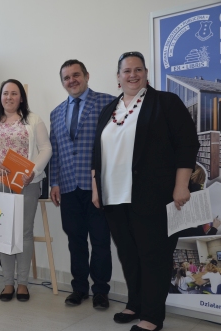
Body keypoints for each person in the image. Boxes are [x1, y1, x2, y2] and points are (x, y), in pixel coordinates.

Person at [92, 52, 199, 331]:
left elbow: (187, 145)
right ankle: (135, 303)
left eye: (138, 69)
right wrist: (96, 188)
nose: (132, 75)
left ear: (146, 72)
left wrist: (181, 185)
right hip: (114, 196)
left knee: (154, 256)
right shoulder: (109, 109)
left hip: (152, 195)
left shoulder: (165, 102)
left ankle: (152, 316)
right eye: (126, 71)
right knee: (129, 255)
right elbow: (97, 154)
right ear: (118, 76)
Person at [0, 79, 52, 302]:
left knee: (25, 232)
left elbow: (46, 148)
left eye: (14, 93)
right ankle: (8, 282)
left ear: (21, 97)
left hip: (26, 183)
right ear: (0, 97)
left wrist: (33, 170)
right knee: (3, 232)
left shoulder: (33, 119)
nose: (9, 97)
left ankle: (23, 283)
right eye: (5, 93)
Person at [49, 59, 114, 309]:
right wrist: (54, 182)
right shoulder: (56, 113)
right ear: (63, 82)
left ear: (86, 76)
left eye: (76, 75)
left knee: (100, 241)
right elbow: (55, 151)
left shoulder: (107, 102)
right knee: (75, 240)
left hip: (98, 187)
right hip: (68, 187)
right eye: (66, 77)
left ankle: (101, 291)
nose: (71, 80)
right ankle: (79, 288)